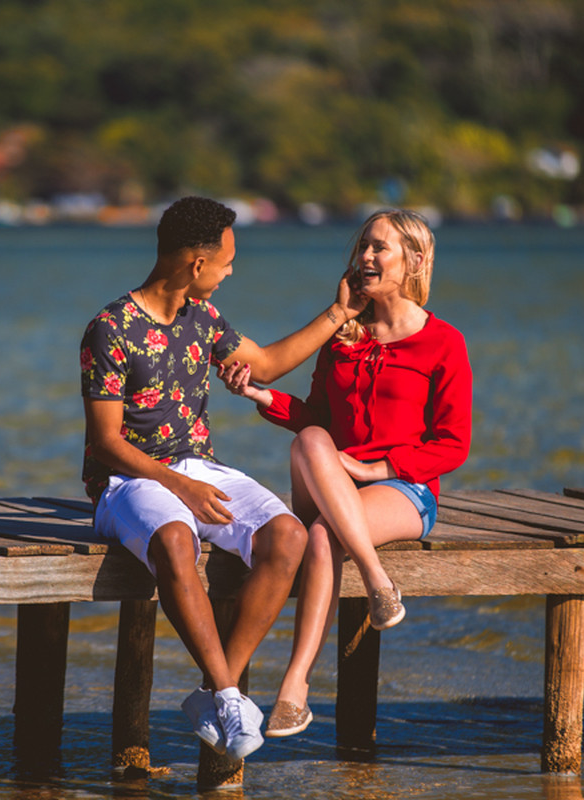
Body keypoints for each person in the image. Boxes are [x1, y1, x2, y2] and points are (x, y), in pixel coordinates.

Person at [80, 196, 366, 759]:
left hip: (202, 467)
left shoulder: (202, 318)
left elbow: (265, 364)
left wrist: (338, 314)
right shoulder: (109, 329)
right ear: (195, 263)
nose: (232, 270)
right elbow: (105, 443)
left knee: (289, 535)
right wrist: (179, 488)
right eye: (227, 261)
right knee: (175, 539)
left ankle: (214, 691)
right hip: (128, 481)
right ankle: (232, 695)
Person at [218, 208, 472, 738]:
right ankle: (378, 581)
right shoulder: (341, 337)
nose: (367, 257)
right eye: (364, 247)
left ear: (416, 260)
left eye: (381, 248)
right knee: (312, 440)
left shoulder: (443, 342)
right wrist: (259, 394)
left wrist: (376, 466)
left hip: (402, 488)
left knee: (319, 534)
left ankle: (294, 689)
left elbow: (452, 445)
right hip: (331, 477)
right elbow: (316, 420)